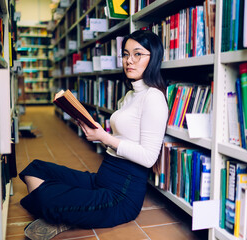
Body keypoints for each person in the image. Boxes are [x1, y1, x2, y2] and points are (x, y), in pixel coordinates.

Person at [19, 30, 169, 239]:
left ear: (153, 58)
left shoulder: (154, 98)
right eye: (125, 54)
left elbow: (148, 157)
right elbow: (124, 137)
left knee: (46, 198)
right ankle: (66, 214)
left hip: (121, 195)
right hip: (102, 177)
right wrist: (95, 128)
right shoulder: (129, 95)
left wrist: (104, 137)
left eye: (137, 54)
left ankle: (63, 215)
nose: (129, 60)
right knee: (35, 169)